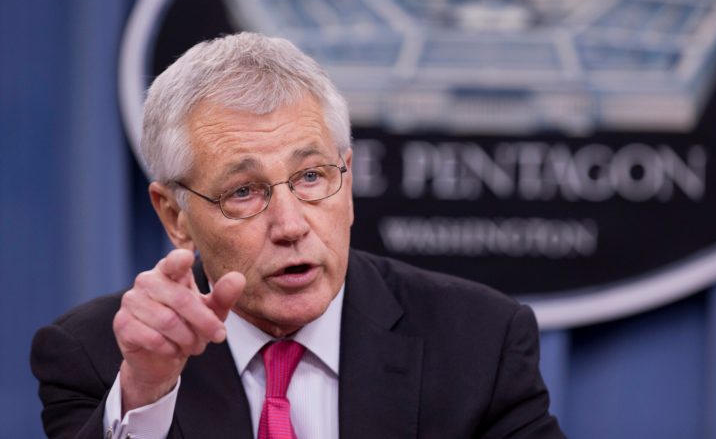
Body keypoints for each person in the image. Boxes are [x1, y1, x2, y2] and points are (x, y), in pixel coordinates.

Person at [31, 33, 566, 438]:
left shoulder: (478, 340)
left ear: (348, 181)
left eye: (312, 177)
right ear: (175, 216)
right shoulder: (101, 359)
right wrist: (147, 389)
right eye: (243, 191)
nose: (290, 226)